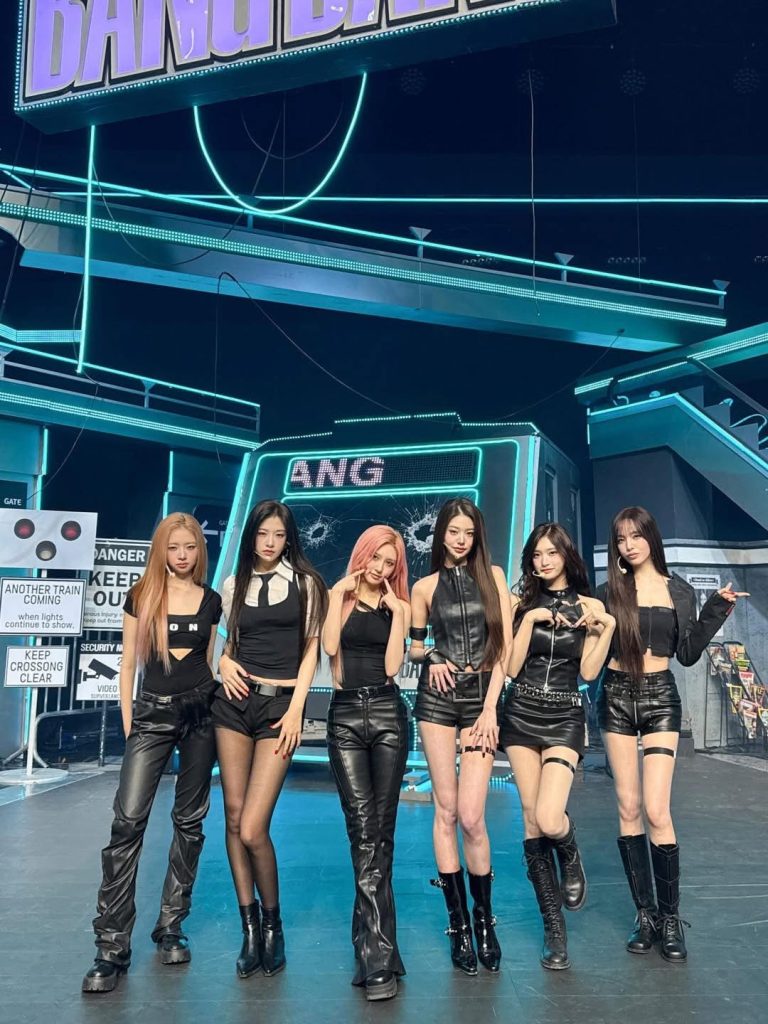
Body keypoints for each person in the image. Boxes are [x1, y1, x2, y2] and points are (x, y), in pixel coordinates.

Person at [597, 506, 747, 963]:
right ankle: (644, 915)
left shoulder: (678, 589)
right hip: (616, 696)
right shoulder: (608, 592)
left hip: (661, 697)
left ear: (651, 537)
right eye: (621, 539)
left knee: (657, 810)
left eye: (636, 536)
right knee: (628, 807)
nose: (629, 545)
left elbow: (687, 653)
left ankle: (670, 918)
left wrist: (717, 609)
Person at [83, 514, 221, 994]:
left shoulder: (211, 600)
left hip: (202, 715)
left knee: (190, 822)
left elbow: (209, 661)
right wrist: (130, 724)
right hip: (151, 714)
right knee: (127, 823)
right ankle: (111, 945)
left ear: (199, 550)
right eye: (174, 547)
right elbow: (127, 664)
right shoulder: (142, 595)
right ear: (161, 550)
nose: (182, 555)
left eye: (190, 547)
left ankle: (171, 926)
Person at [214, 500, 327, 979]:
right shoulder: (233, 584)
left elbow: (312, 650)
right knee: (233, 815)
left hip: (281, 706)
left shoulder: (306, 583)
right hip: (233, 703)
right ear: (252, 536)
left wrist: (299, 706)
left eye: (279, 535)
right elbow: (228, 642)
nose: (270, 543)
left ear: (289, 538)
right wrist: (223, 660)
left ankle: (273, 924)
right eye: (263, 534)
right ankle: (250, 929)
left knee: (253, 827)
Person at [503, 523, 615, 970]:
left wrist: (606, 627)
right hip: (521, 711)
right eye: (537, 554)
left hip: (565, 714)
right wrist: (530, 619)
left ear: (567, 555)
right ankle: (554, 928)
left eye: (552, 552)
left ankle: (570, 852)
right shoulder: (520, 604)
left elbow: (588, 672)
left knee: (551, 817)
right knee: (532, 822)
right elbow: (510, 667)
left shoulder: (591, 606)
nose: (544, 561)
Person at [409, 498, 512, 975]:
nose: (461, 540)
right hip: (436, 699)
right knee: (446, 810)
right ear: (441, 534)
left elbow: (503, 649)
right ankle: (459, 925)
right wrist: (432, 656)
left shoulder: (494, 577)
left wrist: (491, 708)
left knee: (472, 816)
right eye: (453, 531)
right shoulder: (424, 587)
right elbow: (415, 647)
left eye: (468, 532)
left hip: (480, 701)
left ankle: (485, 920)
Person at [322, 525, 411, 1002]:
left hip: (388, 714)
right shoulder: (339, 597)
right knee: (362, 829)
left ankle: (374, 948)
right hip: (345, 719)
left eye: (389, 562)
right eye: (375, 558)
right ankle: (380, 955)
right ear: (362, 556)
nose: (380, 568)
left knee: (382, 832)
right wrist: (339, 593)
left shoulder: (399, 606)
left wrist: (398, 612)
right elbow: (329, 648)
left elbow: (394, 666)